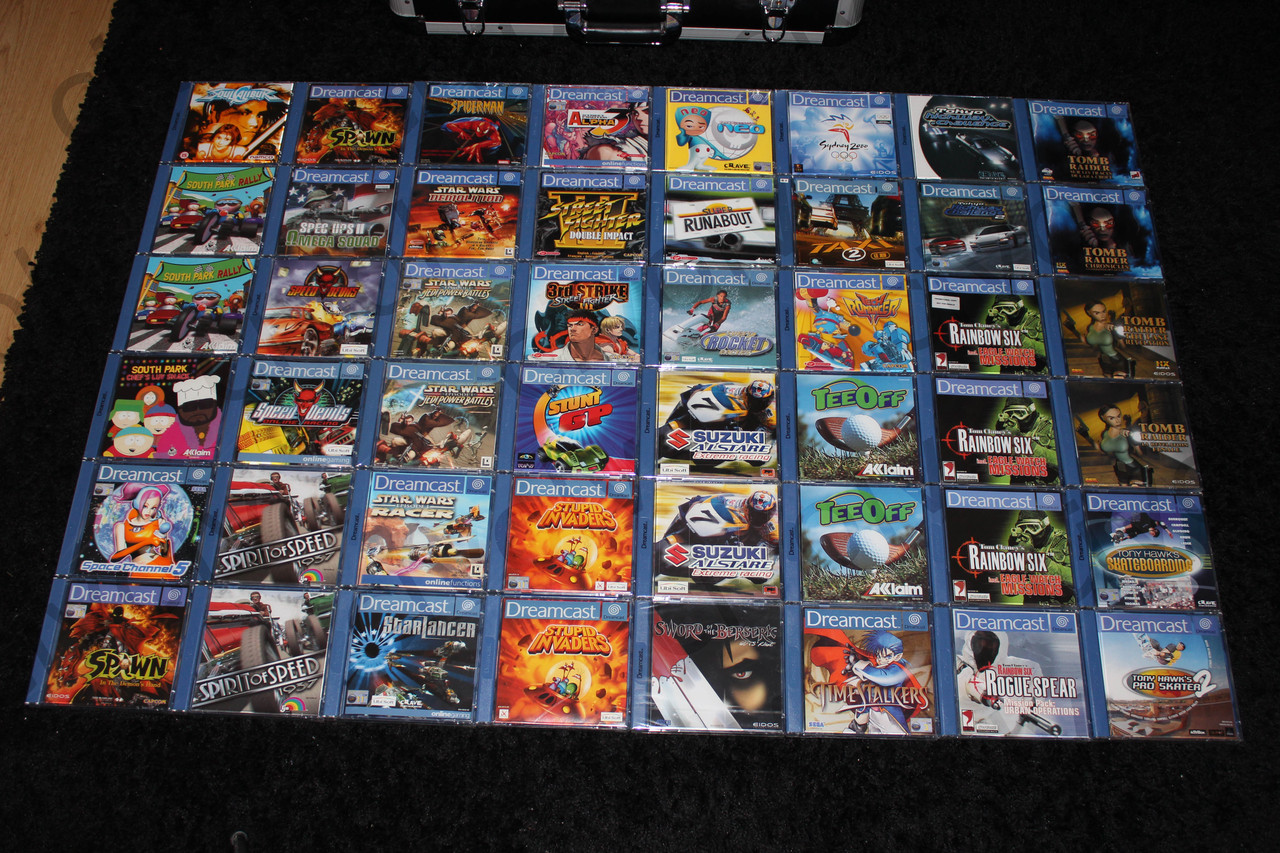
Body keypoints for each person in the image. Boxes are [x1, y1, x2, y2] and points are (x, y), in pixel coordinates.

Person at [1084, 404, 1152, 487]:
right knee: (1123, 492)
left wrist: (1133, 440)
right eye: (1111, 418)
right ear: (1103, 418)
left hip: (1133, 467)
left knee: (1135, 492)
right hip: (1120, 468)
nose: (1117, 421)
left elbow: (1140, 453)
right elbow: (1101, 451)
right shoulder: (1105, 434)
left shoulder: (1127, 432)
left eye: (1118, 416)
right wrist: (1087, 437)